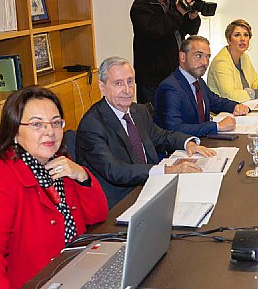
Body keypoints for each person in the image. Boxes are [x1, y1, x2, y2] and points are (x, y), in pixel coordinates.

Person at [0, 87, 108, 289]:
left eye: (56, 123)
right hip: (27, 288)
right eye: (37, 124)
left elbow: (98, 215)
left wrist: (82, 175)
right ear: (15, 132)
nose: (50, 131)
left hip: (69, 276)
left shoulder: (60, 163)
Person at [76, 57, 216, 208]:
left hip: (151, 188)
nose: (127, 90)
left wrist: (188, 143)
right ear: (102, 87)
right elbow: (115, 171)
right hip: (119, 203)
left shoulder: (138, 111)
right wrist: (168, 170)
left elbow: (161, 136)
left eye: (130, 81)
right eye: (118, 83)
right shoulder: (92, 124)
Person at [130, 0, 201, 104]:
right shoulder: (141, 6)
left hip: (175, 73)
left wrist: (192, 17)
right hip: (152, 78)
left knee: (175, 116)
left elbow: (190, 30)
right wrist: (179, 11)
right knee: (153, 119)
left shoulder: (173, 2)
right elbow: (158, 30)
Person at [155, 36, 250, 137]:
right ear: (182, 57)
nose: (205, 62)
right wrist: (216, 126)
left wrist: (236, 106)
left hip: (201, 143)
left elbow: (216, 102)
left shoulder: (198, 81)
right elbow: (174, 129)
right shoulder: (170, 87)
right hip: (179, 149)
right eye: (198, 55)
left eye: (207, 57)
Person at [207, 19, 258, 102]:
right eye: (237, 35)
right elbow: (229, 95)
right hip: (223, 111)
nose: (242, 39)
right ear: (228, 39)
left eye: (246, 35)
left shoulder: (244, 56)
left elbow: (254, 80)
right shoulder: (221, 62)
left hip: (242, 106)